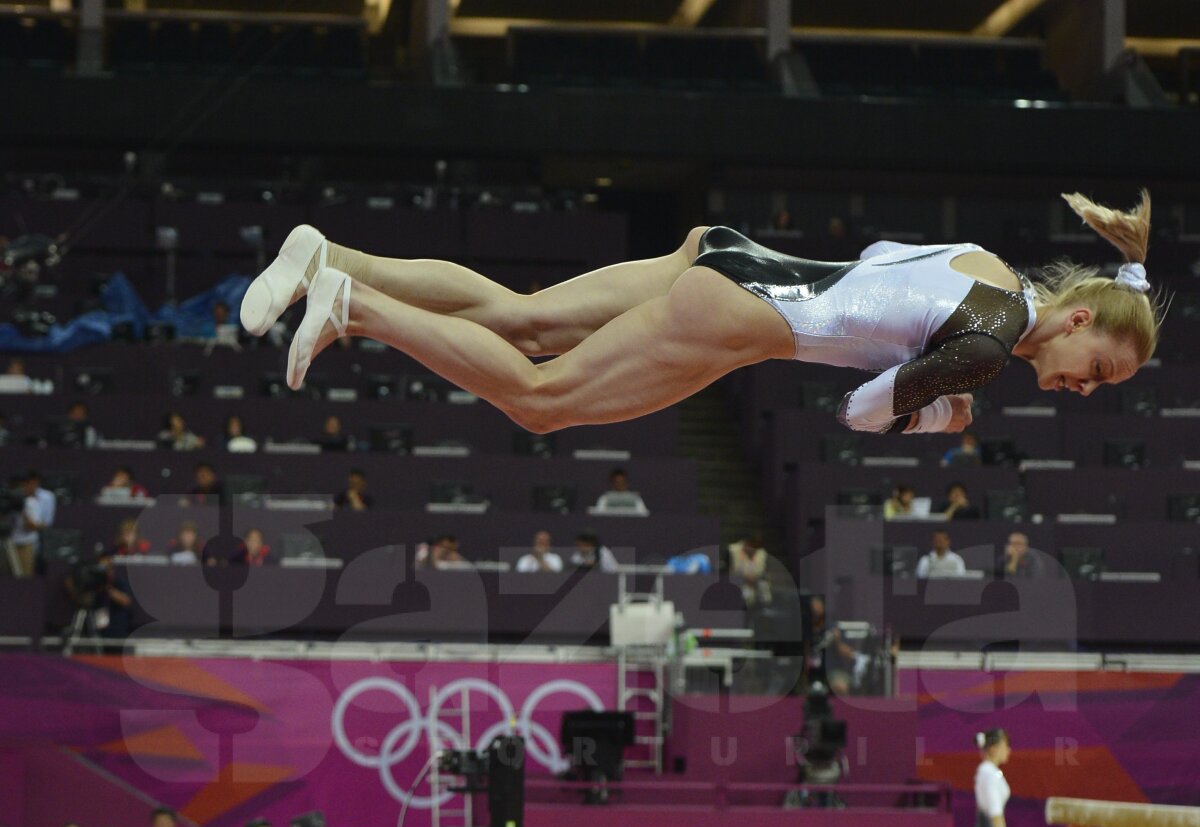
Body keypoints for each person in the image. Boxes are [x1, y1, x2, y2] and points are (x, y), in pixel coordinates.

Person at [242, 192, 1160, 434]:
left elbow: (886, 276)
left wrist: (928, 381)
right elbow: (860, 410)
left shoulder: (989, 268)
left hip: (726, 254)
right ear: (1079, 324)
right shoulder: (990, 346)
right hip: (739, 315)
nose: (1085, 390)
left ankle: (327, 258)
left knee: (520, 320)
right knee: (539, 399)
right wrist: (941, 411)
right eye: (1100, 373)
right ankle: (357, 307)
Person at [729, 535, 770, 607]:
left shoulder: (761, 553)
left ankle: (763, 607)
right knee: (747, 596)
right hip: (739, 582)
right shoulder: (732, 551)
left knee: (764, 590)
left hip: (755, 581)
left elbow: (764, 571)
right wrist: (745, 578)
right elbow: (729, 573)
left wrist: (756, 578)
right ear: (746, 543)